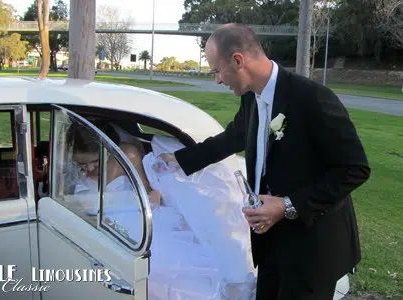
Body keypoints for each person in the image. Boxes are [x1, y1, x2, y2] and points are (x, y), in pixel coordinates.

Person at [160, 23, 371, 299]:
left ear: (238, 61)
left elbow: (355, 169)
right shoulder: (251, 98)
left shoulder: (312, 99)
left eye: (216, 70)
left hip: (312, 249)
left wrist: (286, 205)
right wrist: (173, 159)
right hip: (269, 240)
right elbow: (231, 138)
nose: (217, 80)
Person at [67, 122, 257, 299]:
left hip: (134, 218)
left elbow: (147, 191)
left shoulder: (127, 155)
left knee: (159, 265)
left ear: (107, 149)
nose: (90, 168)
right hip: (96, 222)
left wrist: (153, 198)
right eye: (83, 165)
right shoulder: (68, 168)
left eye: (96, 161)